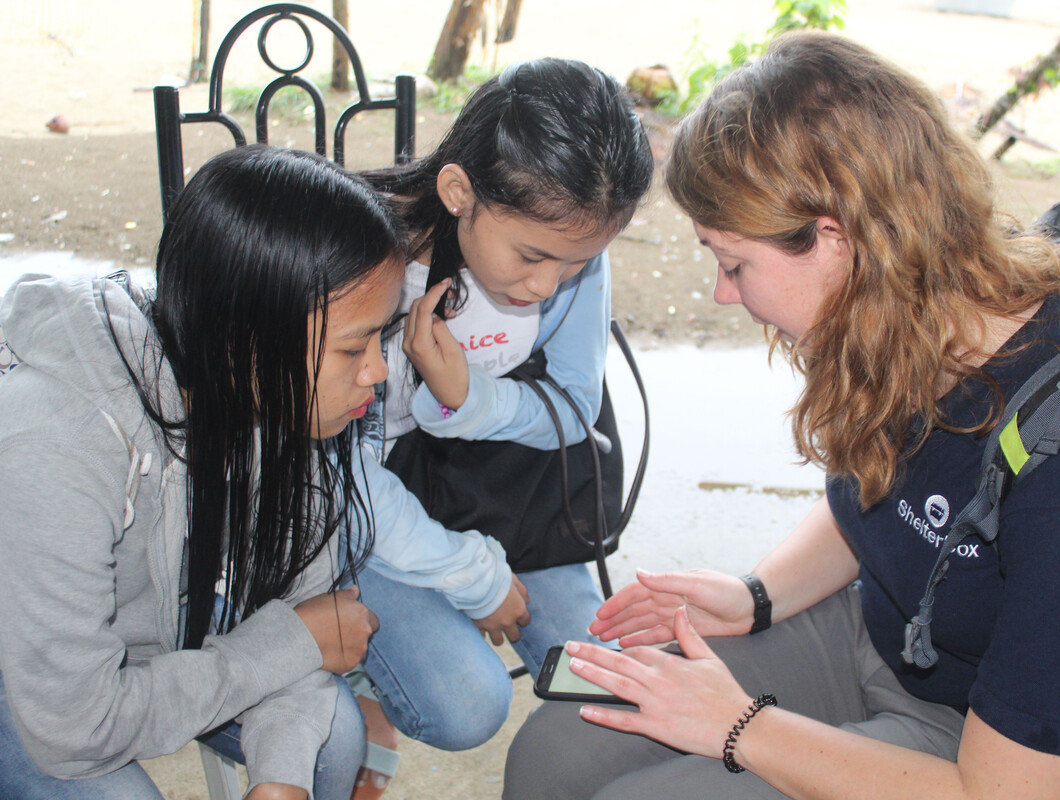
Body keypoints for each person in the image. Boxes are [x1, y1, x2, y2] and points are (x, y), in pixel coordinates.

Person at [502, 31, 1060, 800]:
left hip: (977, 748)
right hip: (881, 633)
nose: (721, 295)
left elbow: (1007, 793)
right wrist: (756, 595)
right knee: (559, 745)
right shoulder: (909, 316)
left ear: (835, 239)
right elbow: (878, 503)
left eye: (734, 264)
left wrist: (738, 728)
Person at [0, 145, 400, 800]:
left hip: (157, 641)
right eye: (354, 347)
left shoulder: (276, 394)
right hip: (29, 678)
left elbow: (305, 623)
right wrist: (281, 647)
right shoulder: (55, 440)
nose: (378, 372)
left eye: (380, 337)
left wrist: (281, 781)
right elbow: (75, 728)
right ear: (246, 337)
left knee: (331, 742)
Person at [341, 57, 654, 798]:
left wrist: (469, 397)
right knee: (468, 703)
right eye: (534, 256)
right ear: (457, 191)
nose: (547, 286)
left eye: (579, 262)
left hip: (508, 498)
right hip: (373, 506)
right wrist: (464, 571)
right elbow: (327, 468)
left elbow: (575, 408)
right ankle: (349, 676)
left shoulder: (569, 247)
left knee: (609, 680)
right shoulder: (359, 254)